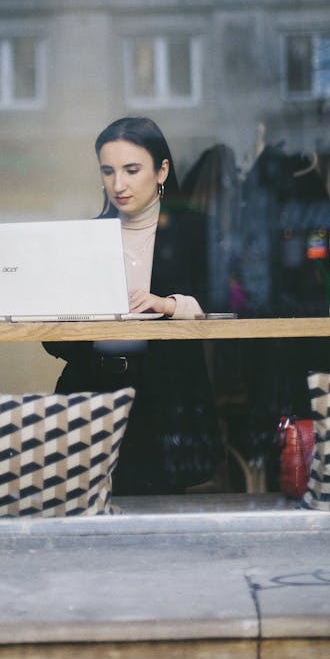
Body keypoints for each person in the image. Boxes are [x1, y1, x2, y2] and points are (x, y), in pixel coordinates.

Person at [43, 117, 220, 495]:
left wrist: (171, 305)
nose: (118, 185)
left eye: (131, 170)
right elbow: (56, 344)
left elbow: (229, 306)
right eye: (108, 171)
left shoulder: (194, 231)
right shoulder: (85, 238)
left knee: (159, 522)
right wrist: (56, 312)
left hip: (165, 395)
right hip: (90, 392)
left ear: (162, 171)